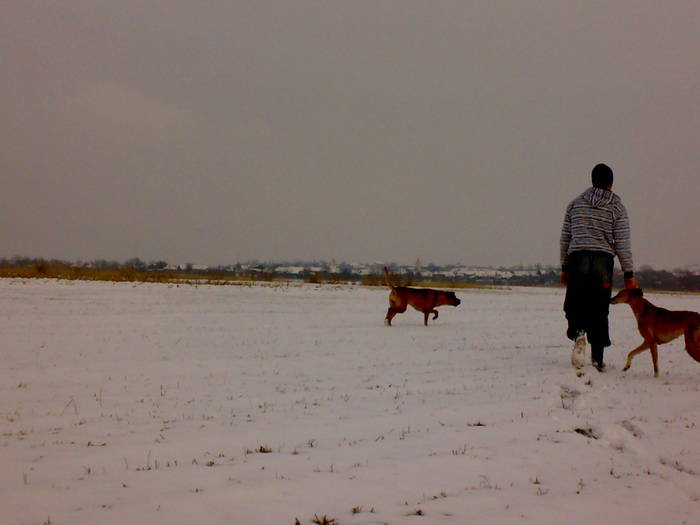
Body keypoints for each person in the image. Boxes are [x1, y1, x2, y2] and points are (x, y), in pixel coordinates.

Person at [560, 163, 638, 372]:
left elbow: (565, 238)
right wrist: (629, 274)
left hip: (578, 259)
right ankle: (597, 359)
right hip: (603, 263)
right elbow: (622, 243)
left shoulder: (575, 204)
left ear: (592, 180)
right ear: (611, 184)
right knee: (599, 309)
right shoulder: (617, 207)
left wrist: (564, 267)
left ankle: (578, 334)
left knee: (574, 304)